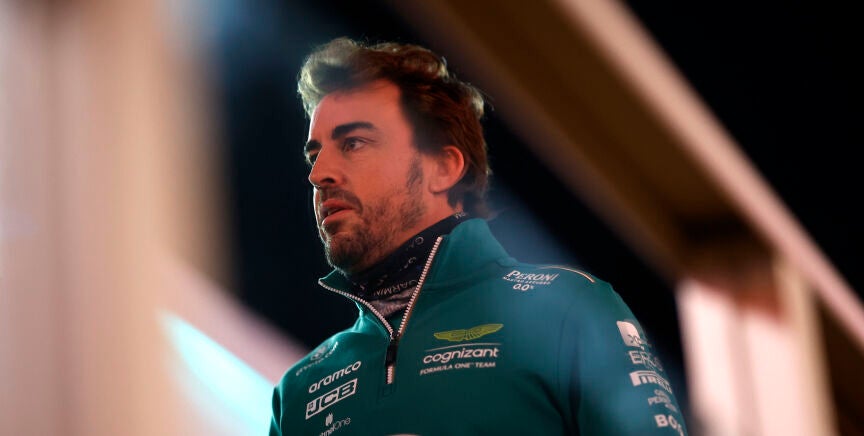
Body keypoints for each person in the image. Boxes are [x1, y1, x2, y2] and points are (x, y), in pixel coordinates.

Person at [269, 36, 688, 436]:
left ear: (443, 168)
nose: (318, 174)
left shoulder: (567, 308)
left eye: (354, 143)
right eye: (314, 154)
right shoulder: (299, 393)